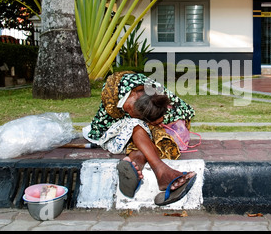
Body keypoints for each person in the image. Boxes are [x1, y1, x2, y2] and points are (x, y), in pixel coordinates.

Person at [83, 71, 197, 206]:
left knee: (150, 134)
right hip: (119, 134)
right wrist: (131, 122)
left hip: (142, 134)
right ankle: (161, 171)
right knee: (135, 125)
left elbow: (186, 109)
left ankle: (135, 162)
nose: (127, 110)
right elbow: (97, 131)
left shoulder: (154, 89)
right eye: (128, 109)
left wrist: (160, 118)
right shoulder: (110, 98)